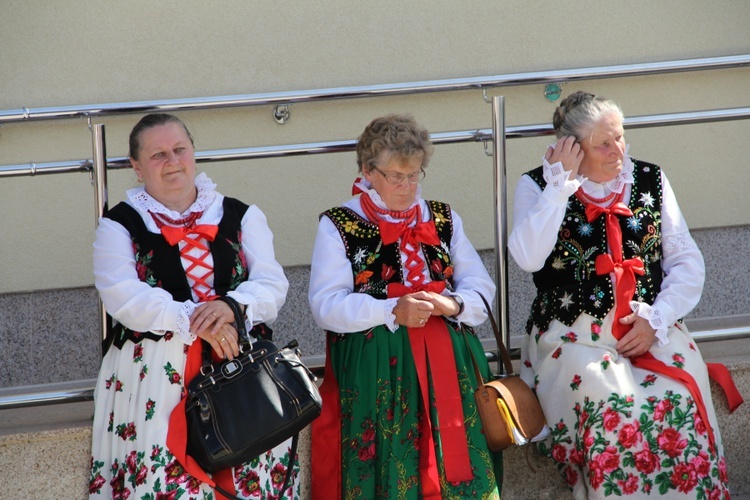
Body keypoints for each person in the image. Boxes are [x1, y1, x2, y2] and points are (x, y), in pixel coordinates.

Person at [509, 91, 742, 498]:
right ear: (572, 148)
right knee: (611, 403)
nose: (617, 149)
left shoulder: (650, 178)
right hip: (572, 335)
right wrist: (559, 186)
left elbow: (687, 260)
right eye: (603, 143)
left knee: (679, 395)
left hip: (649, 323)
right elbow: (528, 257)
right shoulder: (537, 186)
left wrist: (658, 318)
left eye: (620, 137)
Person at [88, 113, 293, 499]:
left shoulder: (241, 214)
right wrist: (195, 320)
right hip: (157, 377)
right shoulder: (118, 224)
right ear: (135, 166)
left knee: (248, 476)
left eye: (180, 149)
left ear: (194, 153)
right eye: (158, 154)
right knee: (164, 481)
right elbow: (122, 295)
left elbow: (272, 283)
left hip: (240, 370)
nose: (172, 161)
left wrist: (232, 306)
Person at [309, 114, 501, 499]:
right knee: (392, 469)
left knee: (459, 465)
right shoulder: (340, 224)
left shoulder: (444, 218)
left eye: (414, 175)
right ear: (367, 170)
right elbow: (325, 305)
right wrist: (390, 310)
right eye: (396, 175)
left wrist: (452, 303)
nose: (407, 186)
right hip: (379, 369)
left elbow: (481, 287)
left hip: (453, 366)